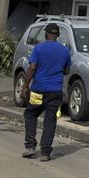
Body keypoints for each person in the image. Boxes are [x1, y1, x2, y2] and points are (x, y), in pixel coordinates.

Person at [22, 23, 71, 161]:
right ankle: (45, 152)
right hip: (55, 92)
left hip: (38, 90)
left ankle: (30, 147)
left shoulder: (38, 48)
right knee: (50, 121)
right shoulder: (65, 51)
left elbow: (32, 67)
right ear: (58, 35)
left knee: (30, 114)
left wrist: (25, 85)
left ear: (46, 34)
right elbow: (66, 71)